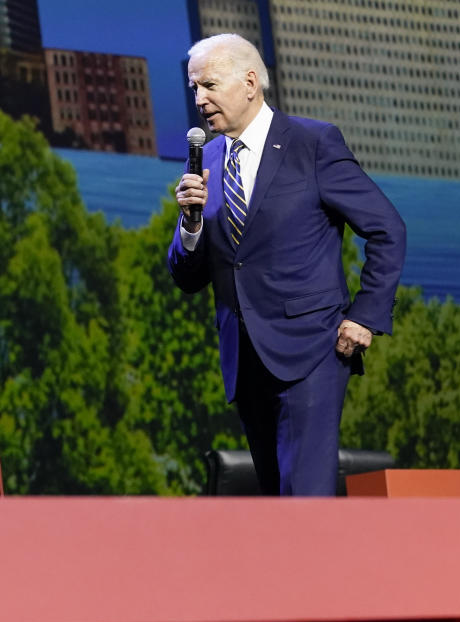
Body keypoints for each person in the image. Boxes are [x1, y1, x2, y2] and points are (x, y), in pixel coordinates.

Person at [167, 34, 406, 496]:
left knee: (306, 498)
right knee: (278, 504)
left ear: (250, 82)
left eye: (209, 85)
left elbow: (387, 228)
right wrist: (190, 224)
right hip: (245, 359)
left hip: (312, 350)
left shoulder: (312, 143)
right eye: (194, 88)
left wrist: (365, 315)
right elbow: (186, 276)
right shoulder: (207, 160)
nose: (200, 100)